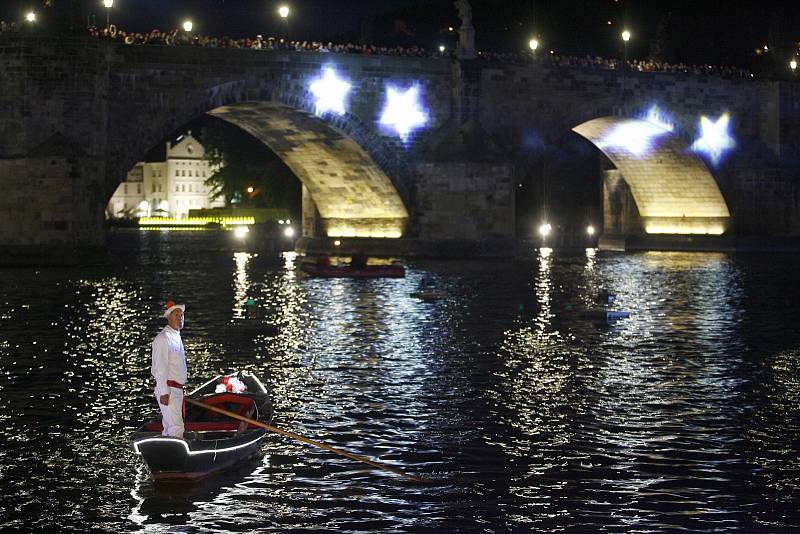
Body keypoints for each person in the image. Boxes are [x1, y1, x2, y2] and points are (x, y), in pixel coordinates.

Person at [151, 300, 188, 438]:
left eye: (181, 315)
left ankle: (165, 455)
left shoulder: (175, 336)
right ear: (169, 317)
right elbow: (160, 368)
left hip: (175, 389)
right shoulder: (163, 338)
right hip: (169, 390)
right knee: (176, 427)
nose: (180, 318)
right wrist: (164, 392)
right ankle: (175, 457)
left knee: (170, 426)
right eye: (177, 315)